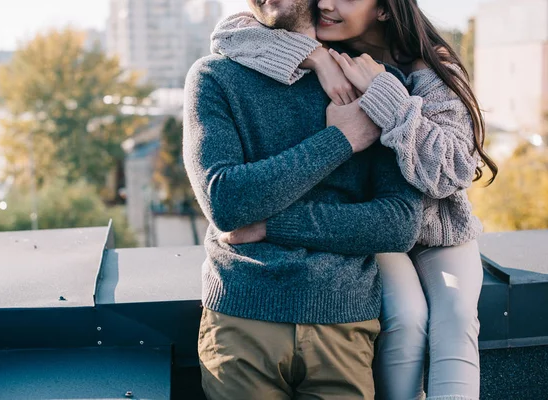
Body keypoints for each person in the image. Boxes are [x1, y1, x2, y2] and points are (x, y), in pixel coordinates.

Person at [211, 1, 499, 399]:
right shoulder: (325, 51)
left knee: (457, 316)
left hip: (437, 230)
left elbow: (450, 172)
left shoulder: (430, 69)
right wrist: (314, 58)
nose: (327, 3)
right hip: (371, 227)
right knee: (406, 317)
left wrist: (387, 95)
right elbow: (229, 34)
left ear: (383, 9)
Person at [182, 0, 424, 398]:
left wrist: (270, 224)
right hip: (241, 320)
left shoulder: (374, 83)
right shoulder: (214, 75)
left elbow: (398, 223)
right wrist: (340, 140)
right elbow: (225, 202)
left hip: (342, 325)